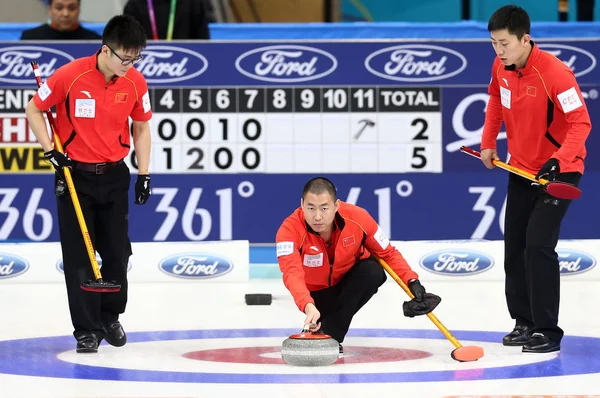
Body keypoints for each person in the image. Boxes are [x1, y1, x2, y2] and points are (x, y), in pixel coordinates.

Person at [25, 14, 153, 353]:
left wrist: (144, 173)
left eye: (135, 57)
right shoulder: (71, 75)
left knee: (116, 252)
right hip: (73, 175)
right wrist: (50, 152)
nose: (130, 64)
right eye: (125, 57)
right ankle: (87, 329)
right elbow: (34, 109)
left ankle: (111, 315)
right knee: (80, 257)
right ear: (105, 50)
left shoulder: (135, 82)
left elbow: (141, 127)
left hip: (114, 174)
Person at [482, 5, 591, 353]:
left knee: (538, 246)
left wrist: (559, 161)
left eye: (504, 44)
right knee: (514, 249)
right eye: (494, 44)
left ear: (525, 39)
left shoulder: (556, 73)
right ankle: (524, 322)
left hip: (560, 173)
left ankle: (547, 330)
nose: (499, 52)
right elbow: (496, 105)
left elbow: (581, 123)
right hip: (520, 170)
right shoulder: (501, 67)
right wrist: (488, 144)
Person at [275, 177, 440, 353]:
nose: (317, 216)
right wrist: (307, 304)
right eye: (310, 208)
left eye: (324, 208)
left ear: (336, 205)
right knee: (318, 306)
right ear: (301, 204)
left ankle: (329, 335)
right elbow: (291, 272)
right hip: (315, 296)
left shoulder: (358, 218)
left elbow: (388, 253)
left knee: (373, 271)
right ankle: (323, 326)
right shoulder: (288, 230)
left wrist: (412, 280)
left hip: (349, 286)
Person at [123, 0, 213, 40]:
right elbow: (125, 46)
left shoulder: (195, 3)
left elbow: (204, 45)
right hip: (145, 67)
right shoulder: (134, 5)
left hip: (187, 67)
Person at [20, 0, 101, 41]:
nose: (65, 14)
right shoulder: (30, 39)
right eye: (59, 8)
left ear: (79, 10)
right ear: (49, 9)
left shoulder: (94, 41)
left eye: (72, 8)